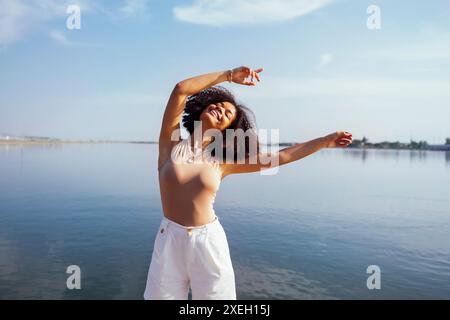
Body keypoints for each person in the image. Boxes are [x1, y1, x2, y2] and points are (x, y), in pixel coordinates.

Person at [144, 66, 353, 300]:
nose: (219, 110)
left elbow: (281, 156)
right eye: (217, 105)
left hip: (208, 243)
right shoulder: (170, 145)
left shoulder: (222, 162)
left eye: (227, 113)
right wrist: (229, 75)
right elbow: (180, 90)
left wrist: (324, 142)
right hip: (169, 239)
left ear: (227, 130)